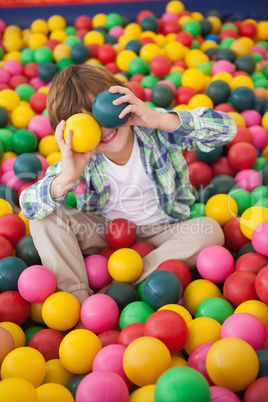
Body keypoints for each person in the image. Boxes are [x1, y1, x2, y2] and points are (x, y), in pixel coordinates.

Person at [20, 64, 237, 304]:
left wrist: (162, 120)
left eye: (105, 111)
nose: (103, 129)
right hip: (104, 231)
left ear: (124, 97)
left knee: (210, 231)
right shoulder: (81, 158)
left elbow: (227, 129)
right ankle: (76, 301)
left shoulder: (155, 126)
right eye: (88, 124)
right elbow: (28, 206)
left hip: (165, 229)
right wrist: (66, 179)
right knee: (46, 218)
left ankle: (120, 285)